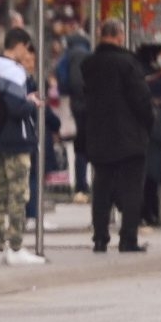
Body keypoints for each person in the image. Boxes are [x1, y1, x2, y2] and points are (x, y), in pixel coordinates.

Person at [76, 17, 155, 255]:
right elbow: (141, 100)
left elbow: (84, 100)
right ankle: (127, 239)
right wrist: (148, 123)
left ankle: (100, 238)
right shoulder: (128, 64)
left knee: (101, 188)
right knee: (131, 189)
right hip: (129, 137)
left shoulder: (88, 65)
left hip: (99, 136)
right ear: (120, 36)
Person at [0, 28, 51, 265]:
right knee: (18, 194)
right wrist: (32, 102)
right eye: (26, 47)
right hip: (17, 140)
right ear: (18, 45)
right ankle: (16, 246)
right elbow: (17, 108)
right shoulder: (13, 73)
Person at [52, 14, 93, 197]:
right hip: (93, 106)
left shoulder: (66, 58)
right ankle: (97, 185)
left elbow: (62, 81)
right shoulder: (91, 55)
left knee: (79, 148)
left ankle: (80, 185)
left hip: (75, 107)